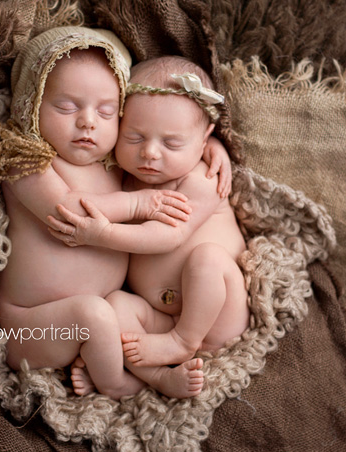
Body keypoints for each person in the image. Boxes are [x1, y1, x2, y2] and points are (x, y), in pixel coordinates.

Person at [0, 28, 229, 400]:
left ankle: (140, 371)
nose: (88, 122)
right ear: (31, 104)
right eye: (67, 107)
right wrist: (139, 204)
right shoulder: (26, 160)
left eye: (107, 111)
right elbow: (68, 211)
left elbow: (163, 128)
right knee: (93, 314)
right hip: (29, 329)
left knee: (107, 314)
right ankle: (120, 385)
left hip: (98, 324)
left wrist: (207, 146)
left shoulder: (117, 164)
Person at [49, 56, 249, 397]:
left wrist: (103, 234)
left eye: (171, 143)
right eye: (134, 137)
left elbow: (170, 235)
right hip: (159, 318)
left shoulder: (201, 178)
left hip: (216, 319)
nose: (150, 154)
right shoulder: (126, 176)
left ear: (203, 141)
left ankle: (182, 342)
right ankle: (155, 377)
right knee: (116, 305)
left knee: (208, 259)